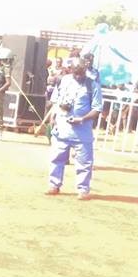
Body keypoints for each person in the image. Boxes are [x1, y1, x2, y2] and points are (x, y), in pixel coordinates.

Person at [45, 62, 102, 200]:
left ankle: (83, 189)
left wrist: (82, 119)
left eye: (81, 73)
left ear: (85, 71)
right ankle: (54, 185)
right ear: (71, 70)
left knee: (84, 162)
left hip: (82, 132)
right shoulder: (63, 81)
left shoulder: (92, 85)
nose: (78, 76)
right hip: (62, 128)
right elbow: (55, 101)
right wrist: (53, 116)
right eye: (75, 73)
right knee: (56, 158)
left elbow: (97, 109)